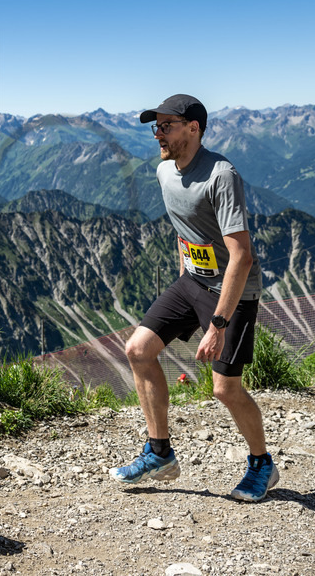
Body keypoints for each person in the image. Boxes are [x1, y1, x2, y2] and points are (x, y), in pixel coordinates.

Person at [109, 94, 277, 502]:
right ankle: (159, 452)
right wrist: (184, 273)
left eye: (166, 125)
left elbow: (242, 255)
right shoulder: (165, 172)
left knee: (225, 389)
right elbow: (185, 229)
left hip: (232, 293)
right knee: (138, 350)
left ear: (193, 128)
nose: (158, 134)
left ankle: (262, 465)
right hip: (192, 281)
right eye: (156, 126)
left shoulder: (222, 175)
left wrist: (218, 324)